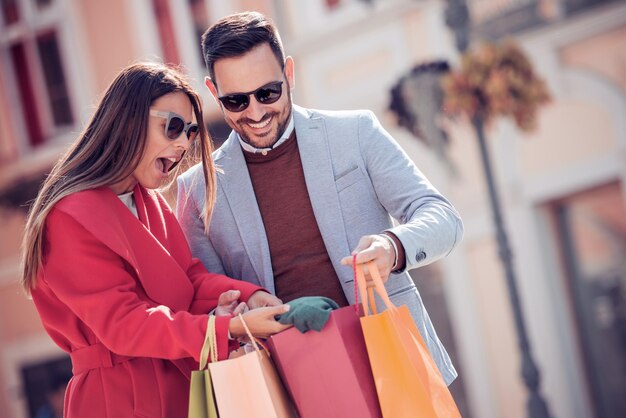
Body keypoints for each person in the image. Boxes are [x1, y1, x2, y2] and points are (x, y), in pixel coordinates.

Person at [176, 11, 463, 385]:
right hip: (291, 389)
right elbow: (209, 300)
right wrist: (228, 313)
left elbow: (442, 217)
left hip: (397, 369)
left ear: (289, 74)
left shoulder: (355, 132)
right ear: (213, 94)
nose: (257, 112)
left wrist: (393, 246)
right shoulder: (196, 190)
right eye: (236, 102)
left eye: (268, 92)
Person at [21, 62, 291, 418]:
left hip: (179, 387)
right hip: (118, 400)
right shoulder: (69, 216)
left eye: (190, 132)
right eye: (172, 127)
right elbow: (125, 324)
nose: (182, 143)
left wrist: (247, 296)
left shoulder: (147, 202)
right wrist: (226, 327)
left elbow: (189, 281)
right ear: (128, 120)